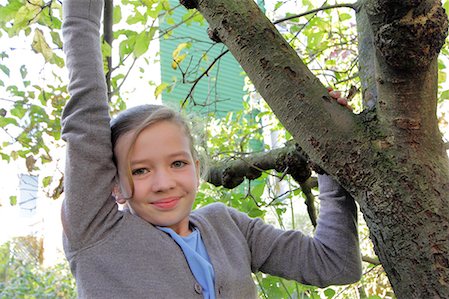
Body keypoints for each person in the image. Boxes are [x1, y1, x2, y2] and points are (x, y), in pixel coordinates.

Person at [61, 0, 362, 298]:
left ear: (196, 166)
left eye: (177, 163)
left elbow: (334, 264)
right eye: (140, 170)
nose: (164, 183)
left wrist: (331, 152)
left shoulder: (227, 226)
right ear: (115, 184)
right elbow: (85, 112)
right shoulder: (97, 234)